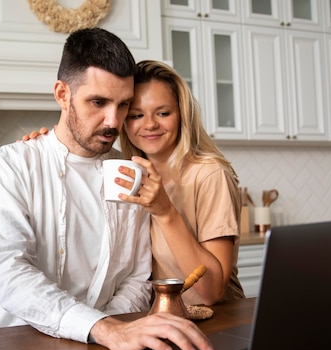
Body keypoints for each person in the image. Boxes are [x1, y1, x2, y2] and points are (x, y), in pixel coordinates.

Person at [0, 27, 213, 350]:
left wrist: (112, 331)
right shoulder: (11, 164)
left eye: (124, 105)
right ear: (62, 94)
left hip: (102, 348)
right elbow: (11, 272)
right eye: (98, 102)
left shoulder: (131, 173)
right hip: (12, 349)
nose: (113, 122)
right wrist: (103, 328)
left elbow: (136, 276)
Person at [24, 60, 244, 306]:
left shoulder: (209, 175)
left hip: (216, 324)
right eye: (136, 115)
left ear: (182, 114)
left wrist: (165, 211)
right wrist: (48, 147)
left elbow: (211, 291)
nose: (149, 124)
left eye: (163, 113)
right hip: (158, 321)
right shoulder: (127, 172)